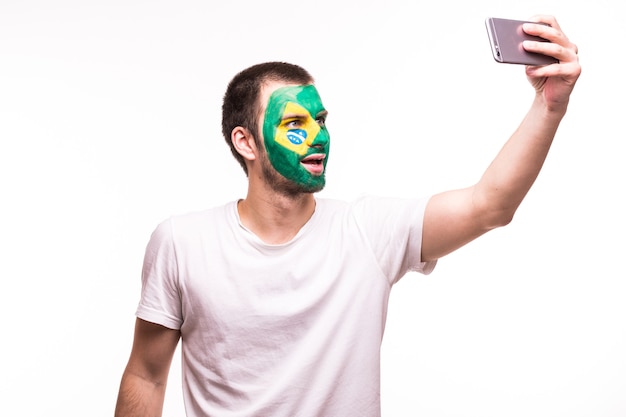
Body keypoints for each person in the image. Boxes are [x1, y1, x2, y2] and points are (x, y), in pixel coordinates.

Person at [115, 15, 580, 417]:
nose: (318, 136)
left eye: (321, 121)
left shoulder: (368, 231)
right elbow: (147, 375)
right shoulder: (182, 242)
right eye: (295, 124)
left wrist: (549, 106)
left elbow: (489, 206)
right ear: (245, 142)